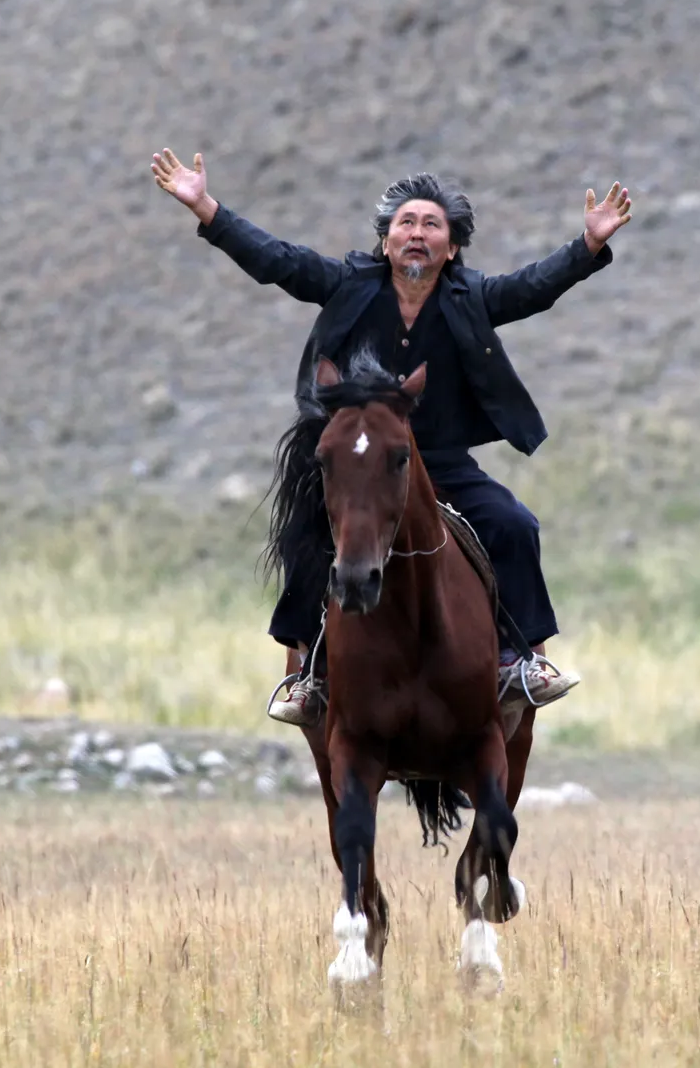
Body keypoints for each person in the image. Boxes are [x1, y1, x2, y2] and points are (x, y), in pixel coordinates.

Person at [150, 148, 632, 727]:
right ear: (385, 241)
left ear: (451, 247)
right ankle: (306, 675)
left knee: (515, 525)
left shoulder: (473, 298)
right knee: (309, 535)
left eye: (431, 225)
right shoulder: (349, 284)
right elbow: (279, 260)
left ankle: (520, 662)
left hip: (444, 466)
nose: (417, 234)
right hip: (362, 470)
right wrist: (206, 207)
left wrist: (588, 246)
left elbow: (533, 287)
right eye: (406, 223)